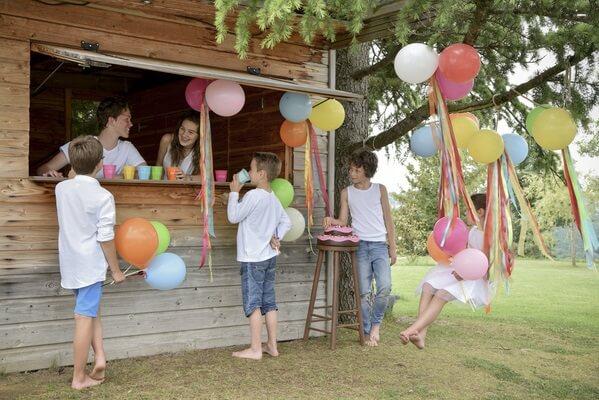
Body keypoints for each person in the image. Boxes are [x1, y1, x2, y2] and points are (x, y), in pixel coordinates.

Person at [54, 135, 126, 389]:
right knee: (84, 316)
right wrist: (116, 270)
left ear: (72, 163)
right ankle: (78, 377)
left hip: (70, 263)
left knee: (90, 309)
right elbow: (106, 239)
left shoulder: (61, 188)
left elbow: (75, 176)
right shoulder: (103, 196)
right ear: (100, 163)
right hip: (89, 265)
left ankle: (101, 356)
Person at [323, 149, 397, 347]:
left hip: (380, 245)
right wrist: (332, 221)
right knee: (363, 292)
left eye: (356, 170)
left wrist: (393, 247)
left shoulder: (380, 189)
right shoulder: (346, 193)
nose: (352, 173)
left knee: (384, 288)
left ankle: (375, 325)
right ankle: (365, 332)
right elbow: (343, 221)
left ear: (367, 170)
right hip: (360, 246)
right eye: (351, 169)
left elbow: (388, 220)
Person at [400, 193, 491, 349]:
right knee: (428, 285)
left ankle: (413, 329)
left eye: (468, 211)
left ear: (480, 212)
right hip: (461, 271)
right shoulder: (472, 231)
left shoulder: (490, 237)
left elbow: (485, 266)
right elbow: (463, 253)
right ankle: (421, 335)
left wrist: (465, 272)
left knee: (442, 294)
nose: (464, 215)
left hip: (477, 279)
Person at [225, 152, 291, 360]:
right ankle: (272, 345)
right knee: (268, 303)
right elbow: (286, 222)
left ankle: (255, 349)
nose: (248, 172)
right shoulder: (272, 198)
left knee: (253, 303)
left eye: (251, 169)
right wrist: (276, 236)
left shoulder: (253, 195)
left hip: (252, 260)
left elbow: (233, 216)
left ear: (261, 174)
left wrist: (235, 193)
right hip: (269, 257)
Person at [37, 96, 146, 178]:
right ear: (111, 121)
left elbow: (145, 172)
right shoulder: (83, 144)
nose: (131, 124)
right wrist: (50, 174)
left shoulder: (127, 148)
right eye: (127, 119)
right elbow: (43, 169)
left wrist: (117, 177)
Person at [156, 111, 200, 179]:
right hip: (164, 188)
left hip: (185, 189)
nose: (184, 135)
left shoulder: (202, 150)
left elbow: (205, 178)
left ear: (199, 136)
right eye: (182, 129)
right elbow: (158, 166)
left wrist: (187, 178)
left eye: (190, 132)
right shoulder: (167, 140)